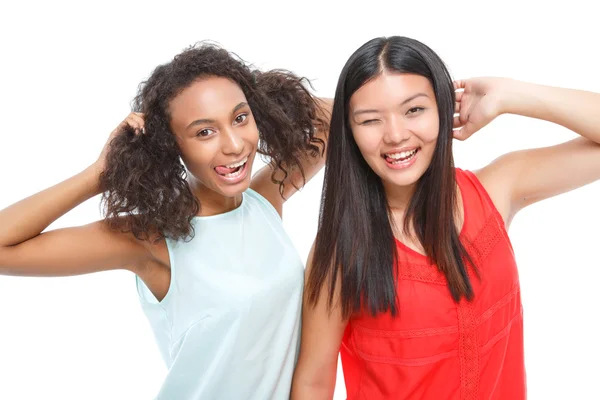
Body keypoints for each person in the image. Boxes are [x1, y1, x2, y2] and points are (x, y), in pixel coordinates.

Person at [0, 42, 330, 399]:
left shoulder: (264, 200)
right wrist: (100, 173)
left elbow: (336, 118)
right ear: (171, 145)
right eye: (205, 131)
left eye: (240, 118)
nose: (234, 144)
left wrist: (256, 90)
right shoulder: (151, 239)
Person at [291, 35, 600, 399]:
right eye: (370, 120)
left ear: (442, 108)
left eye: (414, 110)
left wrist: (508, 94)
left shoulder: (498, 189)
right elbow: (312, 384)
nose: (395, 135)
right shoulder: (342, 252)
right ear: (351, 133)